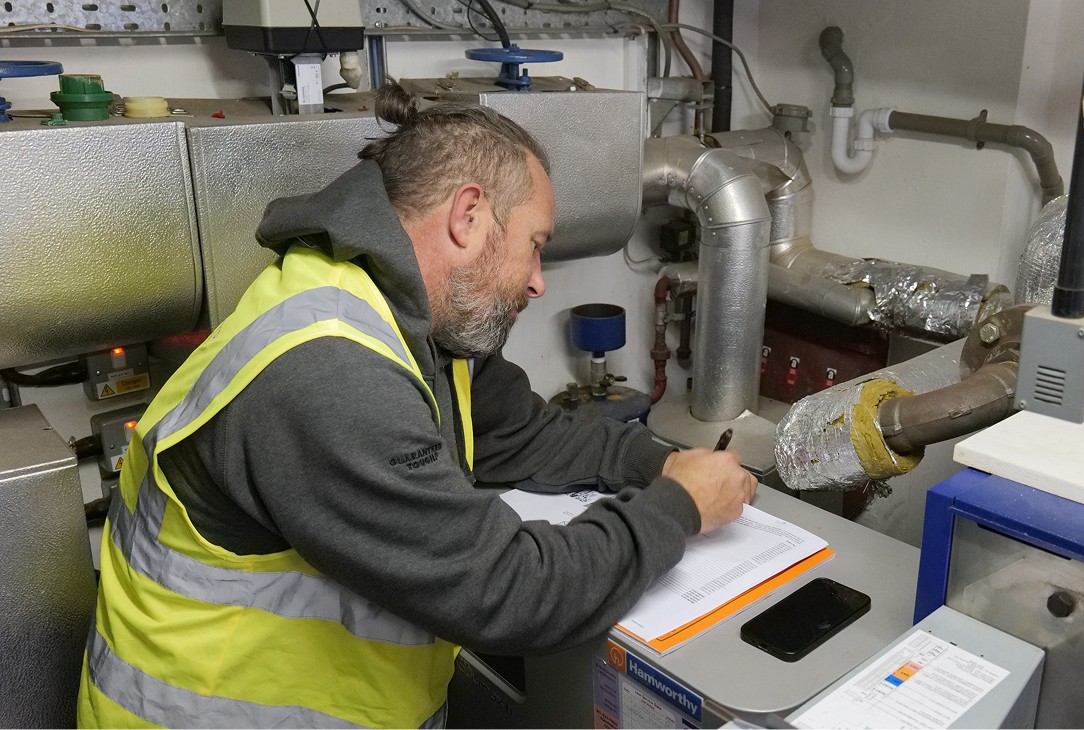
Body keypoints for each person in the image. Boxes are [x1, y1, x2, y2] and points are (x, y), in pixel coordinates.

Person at [77, 83, 756, 728]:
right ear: (467, 217)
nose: (539, 282)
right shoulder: (330, 373)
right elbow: (510, 591)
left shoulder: (408, 320)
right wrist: (678, 510)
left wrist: (663, 465)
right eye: (535, 246)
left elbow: (518, 434)